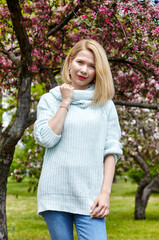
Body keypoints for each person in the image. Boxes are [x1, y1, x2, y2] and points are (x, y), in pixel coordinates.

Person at [34, 39, 123, 240]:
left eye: (92, 66)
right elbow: (46, 139)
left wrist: (105, 194)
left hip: (91, 196)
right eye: (80, 62)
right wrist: (66, 102)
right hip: (55, 193)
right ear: (70, 62)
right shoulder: (50, 99)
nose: (84, 70)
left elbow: (111, 151)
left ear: (98, 71)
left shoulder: (105, 105)